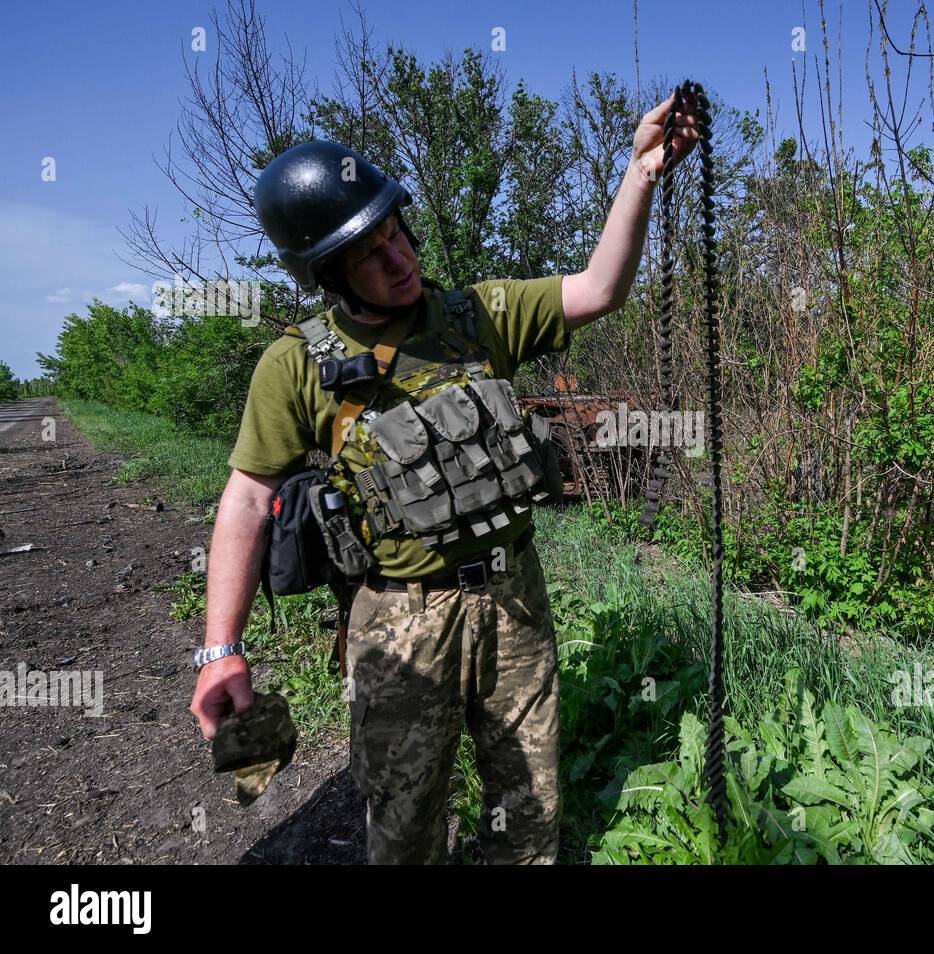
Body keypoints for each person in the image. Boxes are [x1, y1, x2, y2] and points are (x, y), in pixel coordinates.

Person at [188, 91, 700, 864]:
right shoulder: (296, 365)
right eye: (369, 253)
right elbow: (248, 500)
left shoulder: (477, 314)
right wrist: (220, 648)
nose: (398, 259)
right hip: (399, 622)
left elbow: (599, 288)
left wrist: (640, 173)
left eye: (396, 234)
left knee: (529, 810)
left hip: (512, 596)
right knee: (406, 824)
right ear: (329, 271)